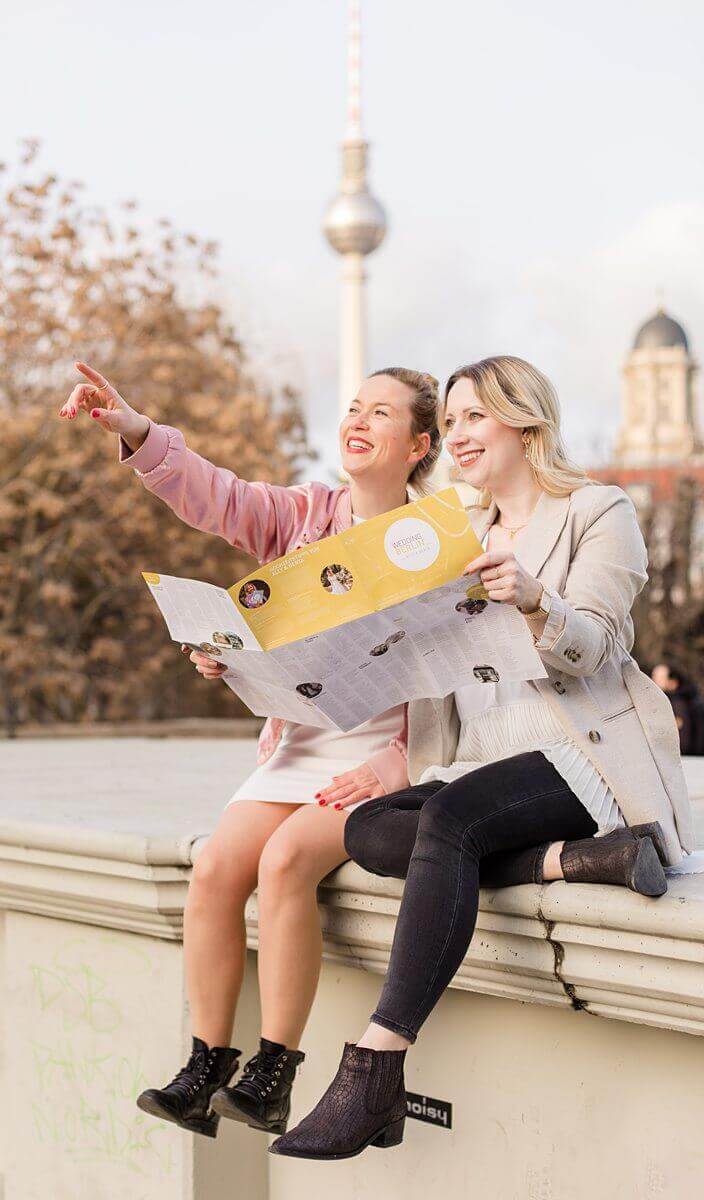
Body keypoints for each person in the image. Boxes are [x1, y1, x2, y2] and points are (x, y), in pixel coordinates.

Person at [270, 354, 698, 1161]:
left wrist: (537, 598)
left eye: (475, 417)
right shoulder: (449, 534)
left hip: (580, 755)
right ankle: (577, 862)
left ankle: (378, 1061)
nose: (458, 436)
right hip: (473, 761)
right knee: (368, 834)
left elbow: (599, 646)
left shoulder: (598, 512)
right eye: (454, 419)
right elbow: (382, 650)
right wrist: (255, 657)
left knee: (452, 824)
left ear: (525, 422)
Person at [59, 360, 438, 1138]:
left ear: (419, 444)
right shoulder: (303, 516)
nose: (358, 422)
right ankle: (206, 1065)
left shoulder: (439, 544)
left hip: (382, 761)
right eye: (354, 407)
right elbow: (216, 496)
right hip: (298, 746)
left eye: (382, 414)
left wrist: (396, 767)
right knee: (214, 868)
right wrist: (134, 429)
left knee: (285, 863)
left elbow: (462, 683)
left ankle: (273, 1072)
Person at [651, 662, 704, 756]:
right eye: (653, 677)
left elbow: (683, 742)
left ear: (673, 682)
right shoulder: (687, 700)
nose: (653, 681)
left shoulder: (678, 705)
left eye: (659, 678)